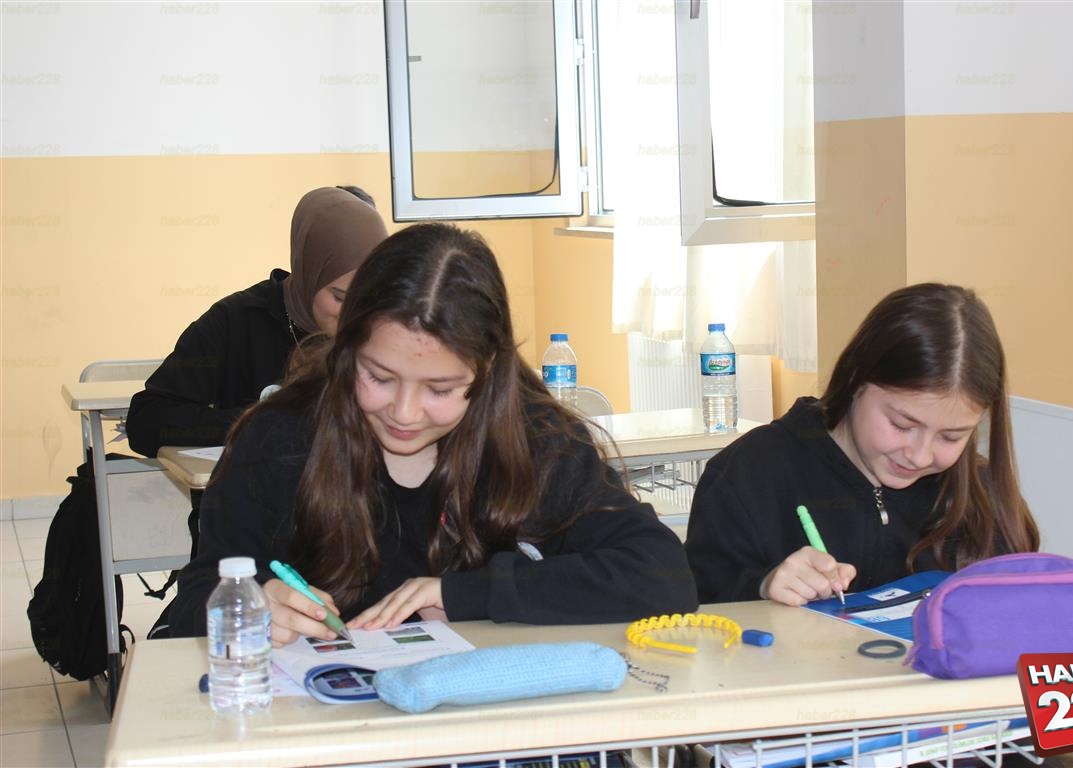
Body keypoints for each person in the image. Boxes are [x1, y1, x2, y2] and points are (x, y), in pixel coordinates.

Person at [166, 222, 698, 642]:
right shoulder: (280, 438)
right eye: (378, 377)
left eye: (440, 389)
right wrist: (253, 607)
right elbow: (193, 602)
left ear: (487, 372)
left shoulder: (536, 440)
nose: (404, 412)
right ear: (347, 349)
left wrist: (469, 594)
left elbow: (661, 575)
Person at [685, 283, 1039, 606]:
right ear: (856, 379)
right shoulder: (751, 474)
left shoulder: (981, 493)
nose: (919, 457)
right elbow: (696, 608)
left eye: (952, 436)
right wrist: (762, 587)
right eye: (902, 425)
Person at [126, 186, 387, 458]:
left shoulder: (386, 326)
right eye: (340, 297)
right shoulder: (235, 322)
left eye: (369, 296)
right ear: (308, 271)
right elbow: (146, 420)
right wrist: (261, 421)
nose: (355, 313)